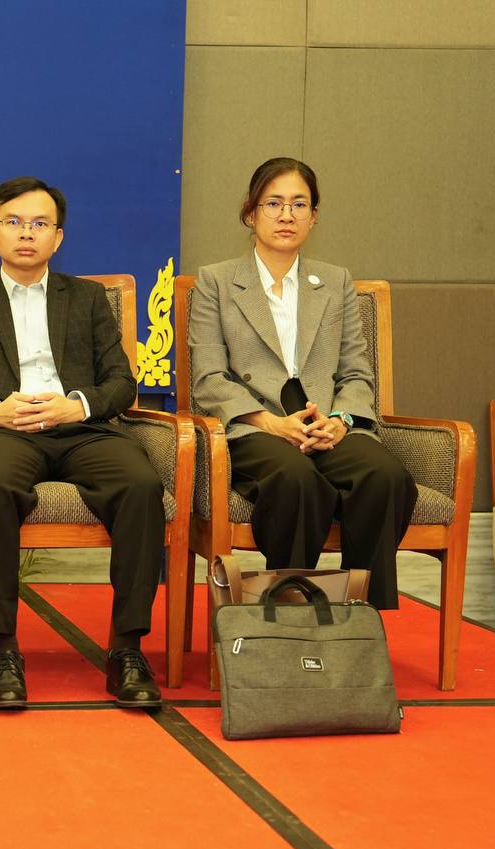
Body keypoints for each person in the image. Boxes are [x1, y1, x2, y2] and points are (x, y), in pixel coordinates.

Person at [0, 176, 165, 710]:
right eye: (14, 222)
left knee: (140, 485)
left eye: (39, 224)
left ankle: (127, 648)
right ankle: (3, 647)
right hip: (3, 432)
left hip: (82, 430)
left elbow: (122, 383)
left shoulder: (88, 298)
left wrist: (77, 404)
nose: (26, 233)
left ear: (58, 237)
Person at [189, 156, 417, 609]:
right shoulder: (217, 282)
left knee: (385, 476)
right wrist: (273, 424)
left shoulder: (334, 281)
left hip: (323, 423)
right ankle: (288, 609)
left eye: (299, 204)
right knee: (296, 480)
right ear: (251, 213)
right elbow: (209, 378)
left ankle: (360, 612)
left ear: (314, 216)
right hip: (256, 427)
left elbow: (356, 372)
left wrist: (340, 420)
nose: (286, 215)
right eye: (273, 203)